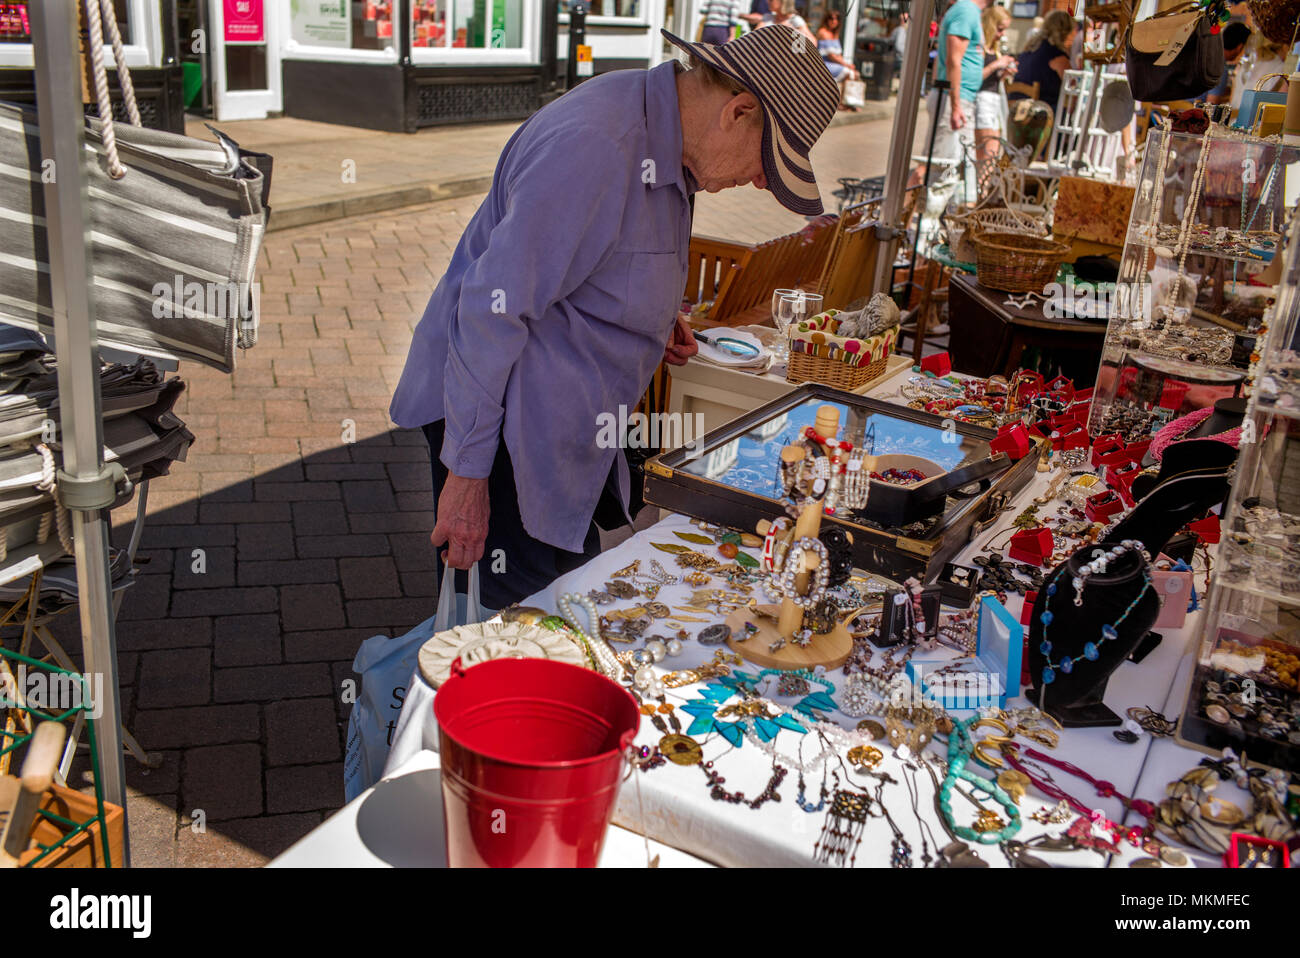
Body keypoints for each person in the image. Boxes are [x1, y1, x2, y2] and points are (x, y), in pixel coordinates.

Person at [389, 26, 841, 611]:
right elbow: (490, 311)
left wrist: (653, 318)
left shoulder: (673, 136)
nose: (758, 181)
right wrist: (468, 477)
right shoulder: (599, 145)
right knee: (508, 629)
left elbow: (603, 258)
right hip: (503, 429)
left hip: (560, 423)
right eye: (766, 163)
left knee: (561, 602)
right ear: (739, 111)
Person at [928, 0, 995, 203]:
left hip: (959, 98)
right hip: (954, 99)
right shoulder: (965, 10)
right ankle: (919, 222)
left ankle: (939, 222)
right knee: (939, 168)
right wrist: (956, 105)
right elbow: (953, 59)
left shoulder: (969, 11)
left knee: (953, 168)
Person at [1006, 9, 1074, 157]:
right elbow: (1073, 87)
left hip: (1016, 109)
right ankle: (1055, 157)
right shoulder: (1056, 55)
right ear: (1065, 31)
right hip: (1039, 115)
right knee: (1070, 116)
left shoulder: (1028, 50)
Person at [974, 5, 1016, 188]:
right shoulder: (979, 47)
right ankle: (979, 193)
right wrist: (997, 64)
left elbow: (992, 79)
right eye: (1000, 29)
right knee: (986, 153)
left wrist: (1003, 73)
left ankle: (982, 192)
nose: (1001, 34)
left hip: (994, 103)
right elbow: (975, 77)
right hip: (981, 102)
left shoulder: (995, 48)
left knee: (994, 151)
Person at [818, 9, 860, 108]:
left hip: (835, 64)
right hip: (825, 64)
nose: (834, 21)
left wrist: (848, 65)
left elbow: (839, 55)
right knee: (848, 73)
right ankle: (841, 103)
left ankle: (851, 102)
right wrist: (847, 65)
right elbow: (831, 56)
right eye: (831, 18)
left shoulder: (835, 35)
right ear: (827, 20)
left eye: (837, 19)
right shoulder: (823, 32)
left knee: (855, 74)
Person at [1206, 21, 1251, 106]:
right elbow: (1211, 104)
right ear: (1240, 47)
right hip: (1190, 112)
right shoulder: (1219, 68)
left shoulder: (1208, 55)